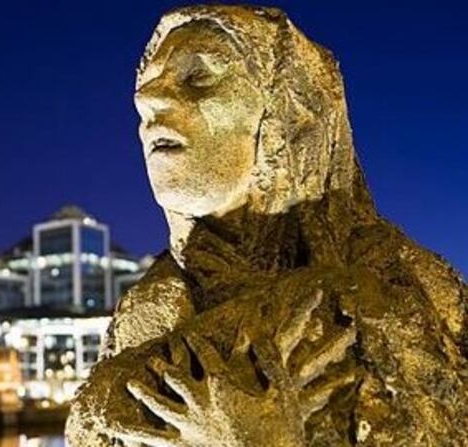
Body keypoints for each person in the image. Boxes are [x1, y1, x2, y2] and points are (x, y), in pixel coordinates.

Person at [67, 5, 468, 446]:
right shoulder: (143, 314)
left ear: (285, 115)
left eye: (198, 76)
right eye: (145, 86)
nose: (148, 100)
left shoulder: (400, 293)